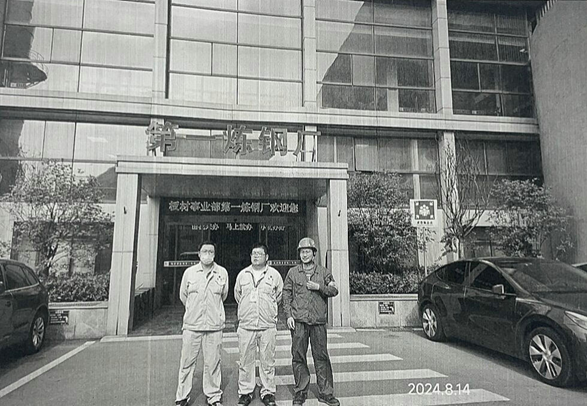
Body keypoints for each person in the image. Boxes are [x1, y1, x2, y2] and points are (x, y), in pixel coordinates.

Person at [282, 238, 340, 406]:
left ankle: (326, 393)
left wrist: (319, 287)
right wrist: (288, 316)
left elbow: (334, 290)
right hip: (299, 321)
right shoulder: (293, 273)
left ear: (314, 253)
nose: (305, 254)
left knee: (321, 357)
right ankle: (300, 392)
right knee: (298, 356)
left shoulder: (324, 272)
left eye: (308, 251)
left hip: (318, 321)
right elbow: (286, 295)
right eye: (302, 251)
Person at [175, 241, 228, 406]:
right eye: (204, 251)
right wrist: (194, 311)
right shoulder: (189, 273)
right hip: (192, 326)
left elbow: (224, 296)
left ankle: (213, 396)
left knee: (213, 363)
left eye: (211, 251)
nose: (207, 254)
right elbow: (183, 296)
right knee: (187, 363)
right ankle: (182, 397)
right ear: (199, 254)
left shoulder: (222, 273)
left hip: (214, 326)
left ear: (215, 254)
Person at [234, 243, 284, 406]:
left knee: (267, 361)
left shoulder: (274, 275)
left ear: (267, 257)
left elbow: (278, 296)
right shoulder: (243, 275)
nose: (256, 256)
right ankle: (245, 392)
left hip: (267, 325)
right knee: (245, 361)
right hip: (246, 325)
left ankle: (267, 392)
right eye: (253, 253)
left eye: (259, 253)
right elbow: (237, 295)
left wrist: (268, 311)